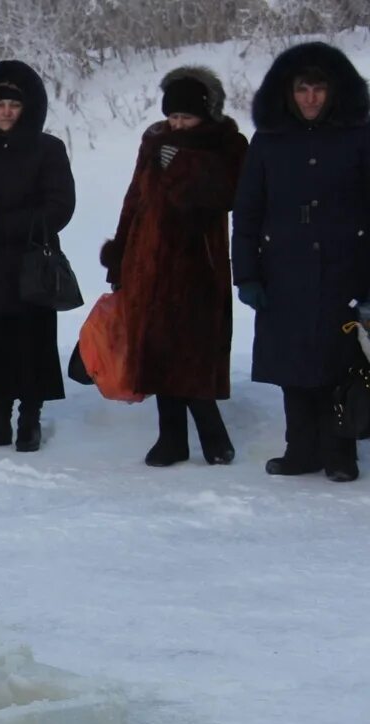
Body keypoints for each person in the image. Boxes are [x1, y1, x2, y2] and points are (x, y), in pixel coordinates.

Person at [233, 42, 370, 483]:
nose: (310, 98)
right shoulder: (269, 139)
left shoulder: (360, 135)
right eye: (302, 89)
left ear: (334, 91)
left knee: (341, 364)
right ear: (287, 93)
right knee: (293, 366)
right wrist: (247, 274)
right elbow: (248, 211)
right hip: (283, 272)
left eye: (319, 88)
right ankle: (301, 450)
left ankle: (340, 451)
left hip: (346, 269)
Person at [100, 67, 248, 467]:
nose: (178, 124)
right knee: (158, 350)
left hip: (198, 263)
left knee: (194, 352)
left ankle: (214, 437)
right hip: (147, 261)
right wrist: (120, 253)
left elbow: (228, 193)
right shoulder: (155, 141)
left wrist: (183, 164)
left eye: (187, 117)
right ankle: (172, 439)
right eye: (173, 117)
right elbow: (135, 198)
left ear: (206, 114)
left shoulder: (227, 144)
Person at [0, 61, 75, 453]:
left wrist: (8, 226)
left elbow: (60, 205)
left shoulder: (47, 149)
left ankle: (29, 422)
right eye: (0, 104)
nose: (6, 112)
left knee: (30, 345)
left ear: (27, 109)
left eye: (14, 105)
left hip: (28, 266)